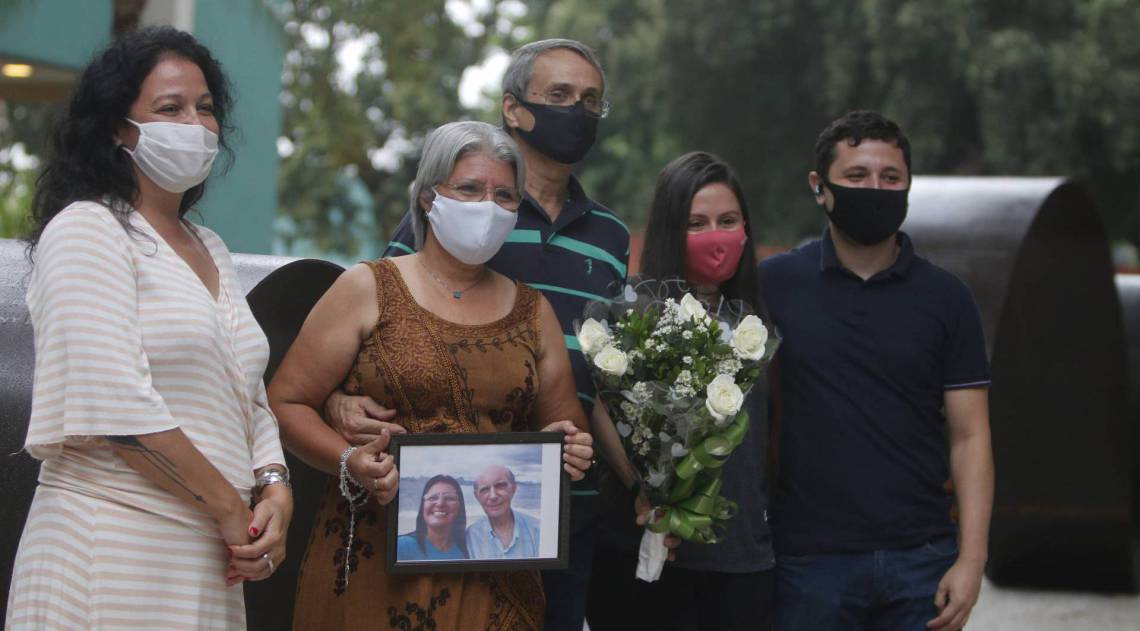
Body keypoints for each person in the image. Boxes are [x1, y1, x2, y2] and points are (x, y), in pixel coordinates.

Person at [323, 38, 628, 631]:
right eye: (560, 95)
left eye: (591, 101)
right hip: (443, 506)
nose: (578, 112)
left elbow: (605, 373)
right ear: (513, 109)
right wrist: (336, 401)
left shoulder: (611, 236)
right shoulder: (452, 212)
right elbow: (372, 329)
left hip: (565, 502)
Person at [5, 27, 292, 629]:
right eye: (170, 108)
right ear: (117, 128)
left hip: (208, 560)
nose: (195, 123)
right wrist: (228, 509)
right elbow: (115, 405)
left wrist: (274, 489)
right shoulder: (87, 230)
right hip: (111, 544)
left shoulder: (209, 246)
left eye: (206, 108)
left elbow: (247, 392)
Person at [268, 120, 594, 631]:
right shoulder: (368, 287)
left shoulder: (534, 312)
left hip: (495, 577)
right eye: (469, 188)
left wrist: (570, 447)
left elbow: (566, 427)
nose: (487, 205)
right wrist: (349, 460)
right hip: (371, 564)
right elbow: (285, 403)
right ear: (426, 197)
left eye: (504, 194)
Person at [763, 110, 993, 631]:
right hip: (806, 563)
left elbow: (970, 435)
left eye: (891, 178)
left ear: (909, 185)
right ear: (819, 187)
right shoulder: (774, 285)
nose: (876, 188)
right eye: (857, 176)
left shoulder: (947, 298)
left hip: (922, 561)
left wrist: (972, 559)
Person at [586, 152, 775, 631]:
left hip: (741, 560)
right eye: (697, 223)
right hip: (643, 555)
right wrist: (643, 487)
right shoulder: (630, 315)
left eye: (728, 221)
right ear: (671, 230)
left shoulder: (761, 320)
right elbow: (599, 409)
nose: (716, 235)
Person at [466, 465, 541, 559]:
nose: (493, 496)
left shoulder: (538, 531)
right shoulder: (469, 537)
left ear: (513, 489)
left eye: (500, 486)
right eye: (484, 489)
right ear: (477, 496)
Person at [396, 475, 469, 561]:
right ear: (423, 505)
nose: (440, 503)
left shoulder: (469, 549)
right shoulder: (401, 546)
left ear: (460, 507)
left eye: (449, 498)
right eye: (433, 498)